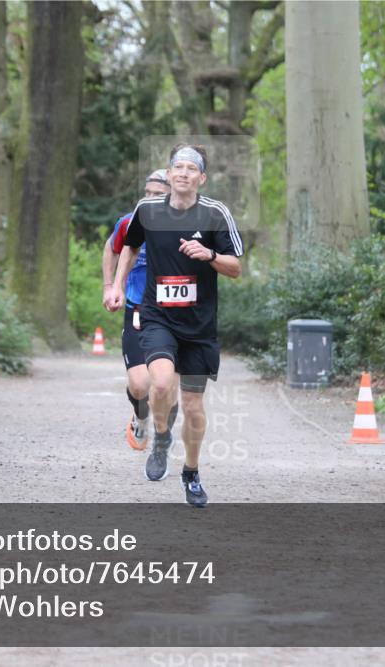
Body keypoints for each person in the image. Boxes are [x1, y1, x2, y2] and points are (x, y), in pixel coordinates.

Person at [106, 144, 243, 507]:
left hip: (199, 325)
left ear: (201, 178)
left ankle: (191, 473)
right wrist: (117, 286)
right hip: (157, 316)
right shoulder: (147, 210)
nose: (182, 173)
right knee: (161, 381)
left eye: (190, 168)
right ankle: (162, 439)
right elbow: (129, 247)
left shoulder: (215, 214)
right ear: (168, 176)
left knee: (194, 406)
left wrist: (210, 255)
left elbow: (235, 267)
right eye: (176, 167)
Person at [101, 169, 177, 451]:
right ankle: (140, 417)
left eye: (158, 195)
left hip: (173, 314)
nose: (150, 199)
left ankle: (162, 441)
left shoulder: (185, 224)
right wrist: (110, 286)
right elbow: (112, 249)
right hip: (137, 309)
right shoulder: (130, 222)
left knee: (164, 384)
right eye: (147, 193)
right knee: (138, 385)